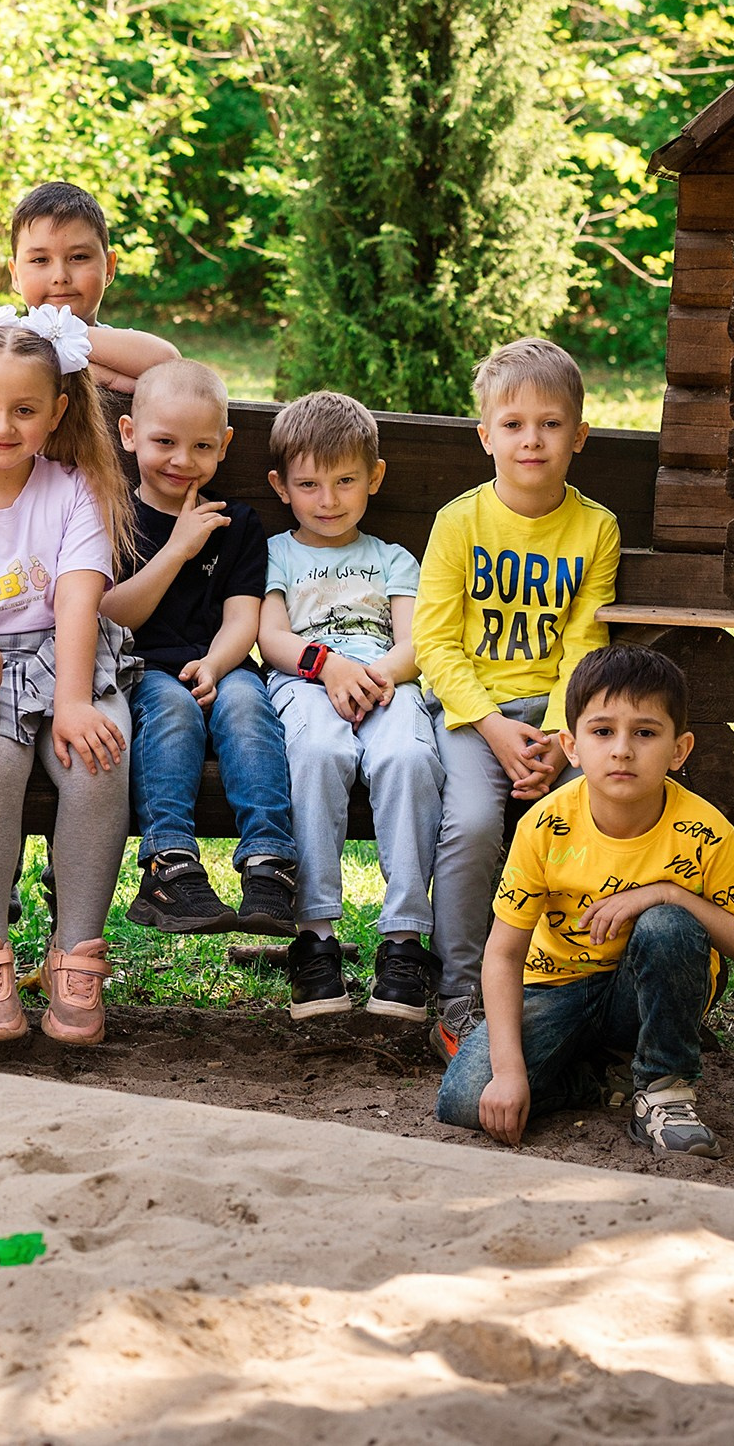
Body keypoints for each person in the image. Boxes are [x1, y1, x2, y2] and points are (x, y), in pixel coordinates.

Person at [436, 645, 734, 1159]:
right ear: (571, 746)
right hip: (557, 989)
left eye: (644, 732)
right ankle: (600, 1082)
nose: (621, 750)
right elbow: (503, 955)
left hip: (641, 997)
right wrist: (508, 1074)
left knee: (668, 923)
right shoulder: (546, 826)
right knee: (465, 1100)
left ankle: (664, 1090)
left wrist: (669, 892)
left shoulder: (705, 832)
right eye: (602, 731)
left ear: (679, 749)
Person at [0, 301, 133, 1046]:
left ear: (57, 411)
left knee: (100, 755)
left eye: (24, 410)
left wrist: (74, 701)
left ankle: (76, 951)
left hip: (70, 652)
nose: (2, 426)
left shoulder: (72, 489)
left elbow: (78, 599)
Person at [415, 337, 621, 1060]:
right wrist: (498, 730)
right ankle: (463, 995)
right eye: (513, 424)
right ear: (486, 436)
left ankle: (580, 983)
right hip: (476, 717)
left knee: (590, 816)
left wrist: (564, 737)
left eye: (551, 423)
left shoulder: (595, 529)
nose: (531, 438)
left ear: (579, 435)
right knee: (473, 824)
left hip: (563, 719)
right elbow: (436, 645)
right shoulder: (459, 522)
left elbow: (583, 646)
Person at [258, 392, 443, 1023]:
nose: (328, 500)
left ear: (375, 478)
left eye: (344, 482)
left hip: (387, 682)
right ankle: (314, 937)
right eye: (309, 485)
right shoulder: (278, 554)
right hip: (307, 683)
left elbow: (417, 644)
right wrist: (328, 668)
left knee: (410, 759)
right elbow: (272, 637)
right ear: (280, 487)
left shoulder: (392, 559)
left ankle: (403, 943)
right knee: (316, 752)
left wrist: (374, 674)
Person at [101, 359, 298, 937]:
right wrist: (178, 550)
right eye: (164, 441)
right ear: (130, 434)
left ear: (225, 445)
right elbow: (112, 613)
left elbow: (244, 615)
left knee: (247, 706)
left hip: (222, 661)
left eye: (201, 446)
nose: (182, 461)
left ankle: (269, 864)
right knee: (172, 709)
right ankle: (169, 866)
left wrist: (215, 662)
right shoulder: (114, 512)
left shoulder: (237, 522)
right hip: (141, 667)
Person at [6, 181, 181, 393]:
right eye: (40, 260)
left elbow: (170, 366)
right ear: (15, 274)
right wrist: (104, 377)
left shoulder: (125, 349)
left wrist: (52, 338)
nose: (60, 277)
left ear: (109, 267)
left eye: (79, 257)